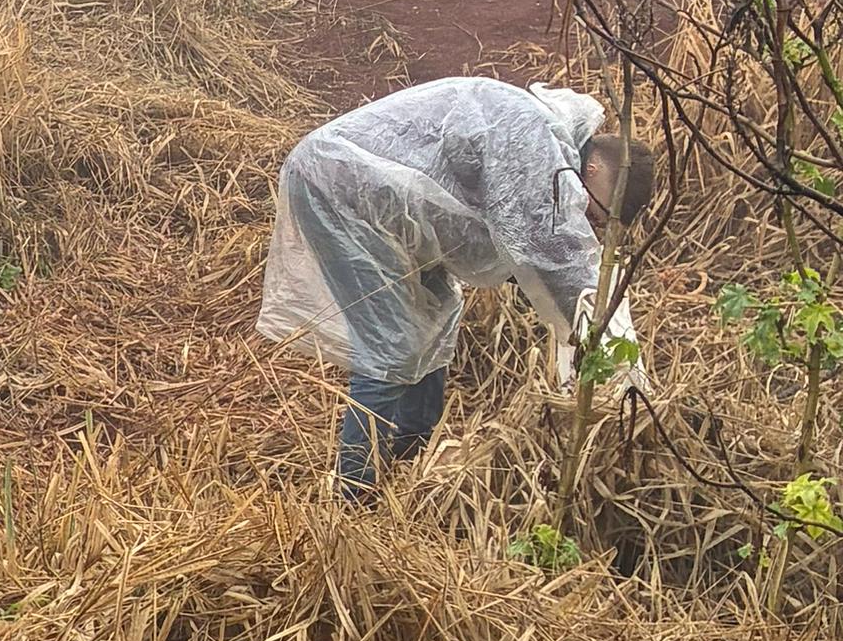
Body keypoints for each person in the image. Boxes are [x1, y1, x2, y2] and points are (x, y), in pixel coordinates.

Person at [258, 74, 656, 497]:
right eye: (596, 215)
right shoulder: (534, 144)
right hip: (341, 190)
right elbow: (555, 258)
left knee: (434, 320)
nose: (591, 225)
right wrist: (608, 348)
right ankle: (354, 495)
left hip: (393, 209)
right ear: (592, 169)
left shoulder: (547, 145)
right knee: (391, 345)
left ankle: (412, 451)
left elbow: (537, 248)